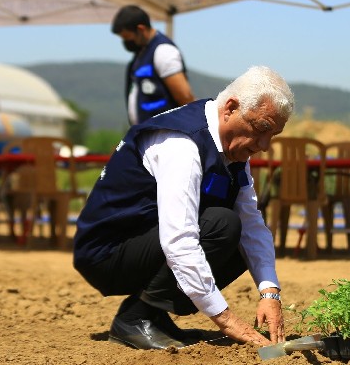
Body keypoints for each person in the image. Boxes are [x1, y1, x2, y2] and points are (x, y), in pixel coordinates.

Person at [72, 66, 294, 350]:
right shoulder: (181, 143)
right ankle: (135, 318)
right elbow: (179, 240)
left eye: (272, 135)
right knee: (222, 224)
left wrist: (269, 292)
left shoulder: (233, 147)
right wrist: (225, 320)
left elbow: (252, 223)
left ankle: (152, 314)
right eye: (261, 129)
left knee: (238, 231)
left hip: (145, 243)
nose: (264, 145)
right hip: (106, 252)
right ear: (230, 108)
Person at [111, 5, 195, 125]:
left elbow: (185, 97)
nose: (125, 42)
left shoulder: (163, 51)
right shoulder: (141, 54)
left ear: (140, 29)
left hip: (165, 133)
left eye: (127, 37)